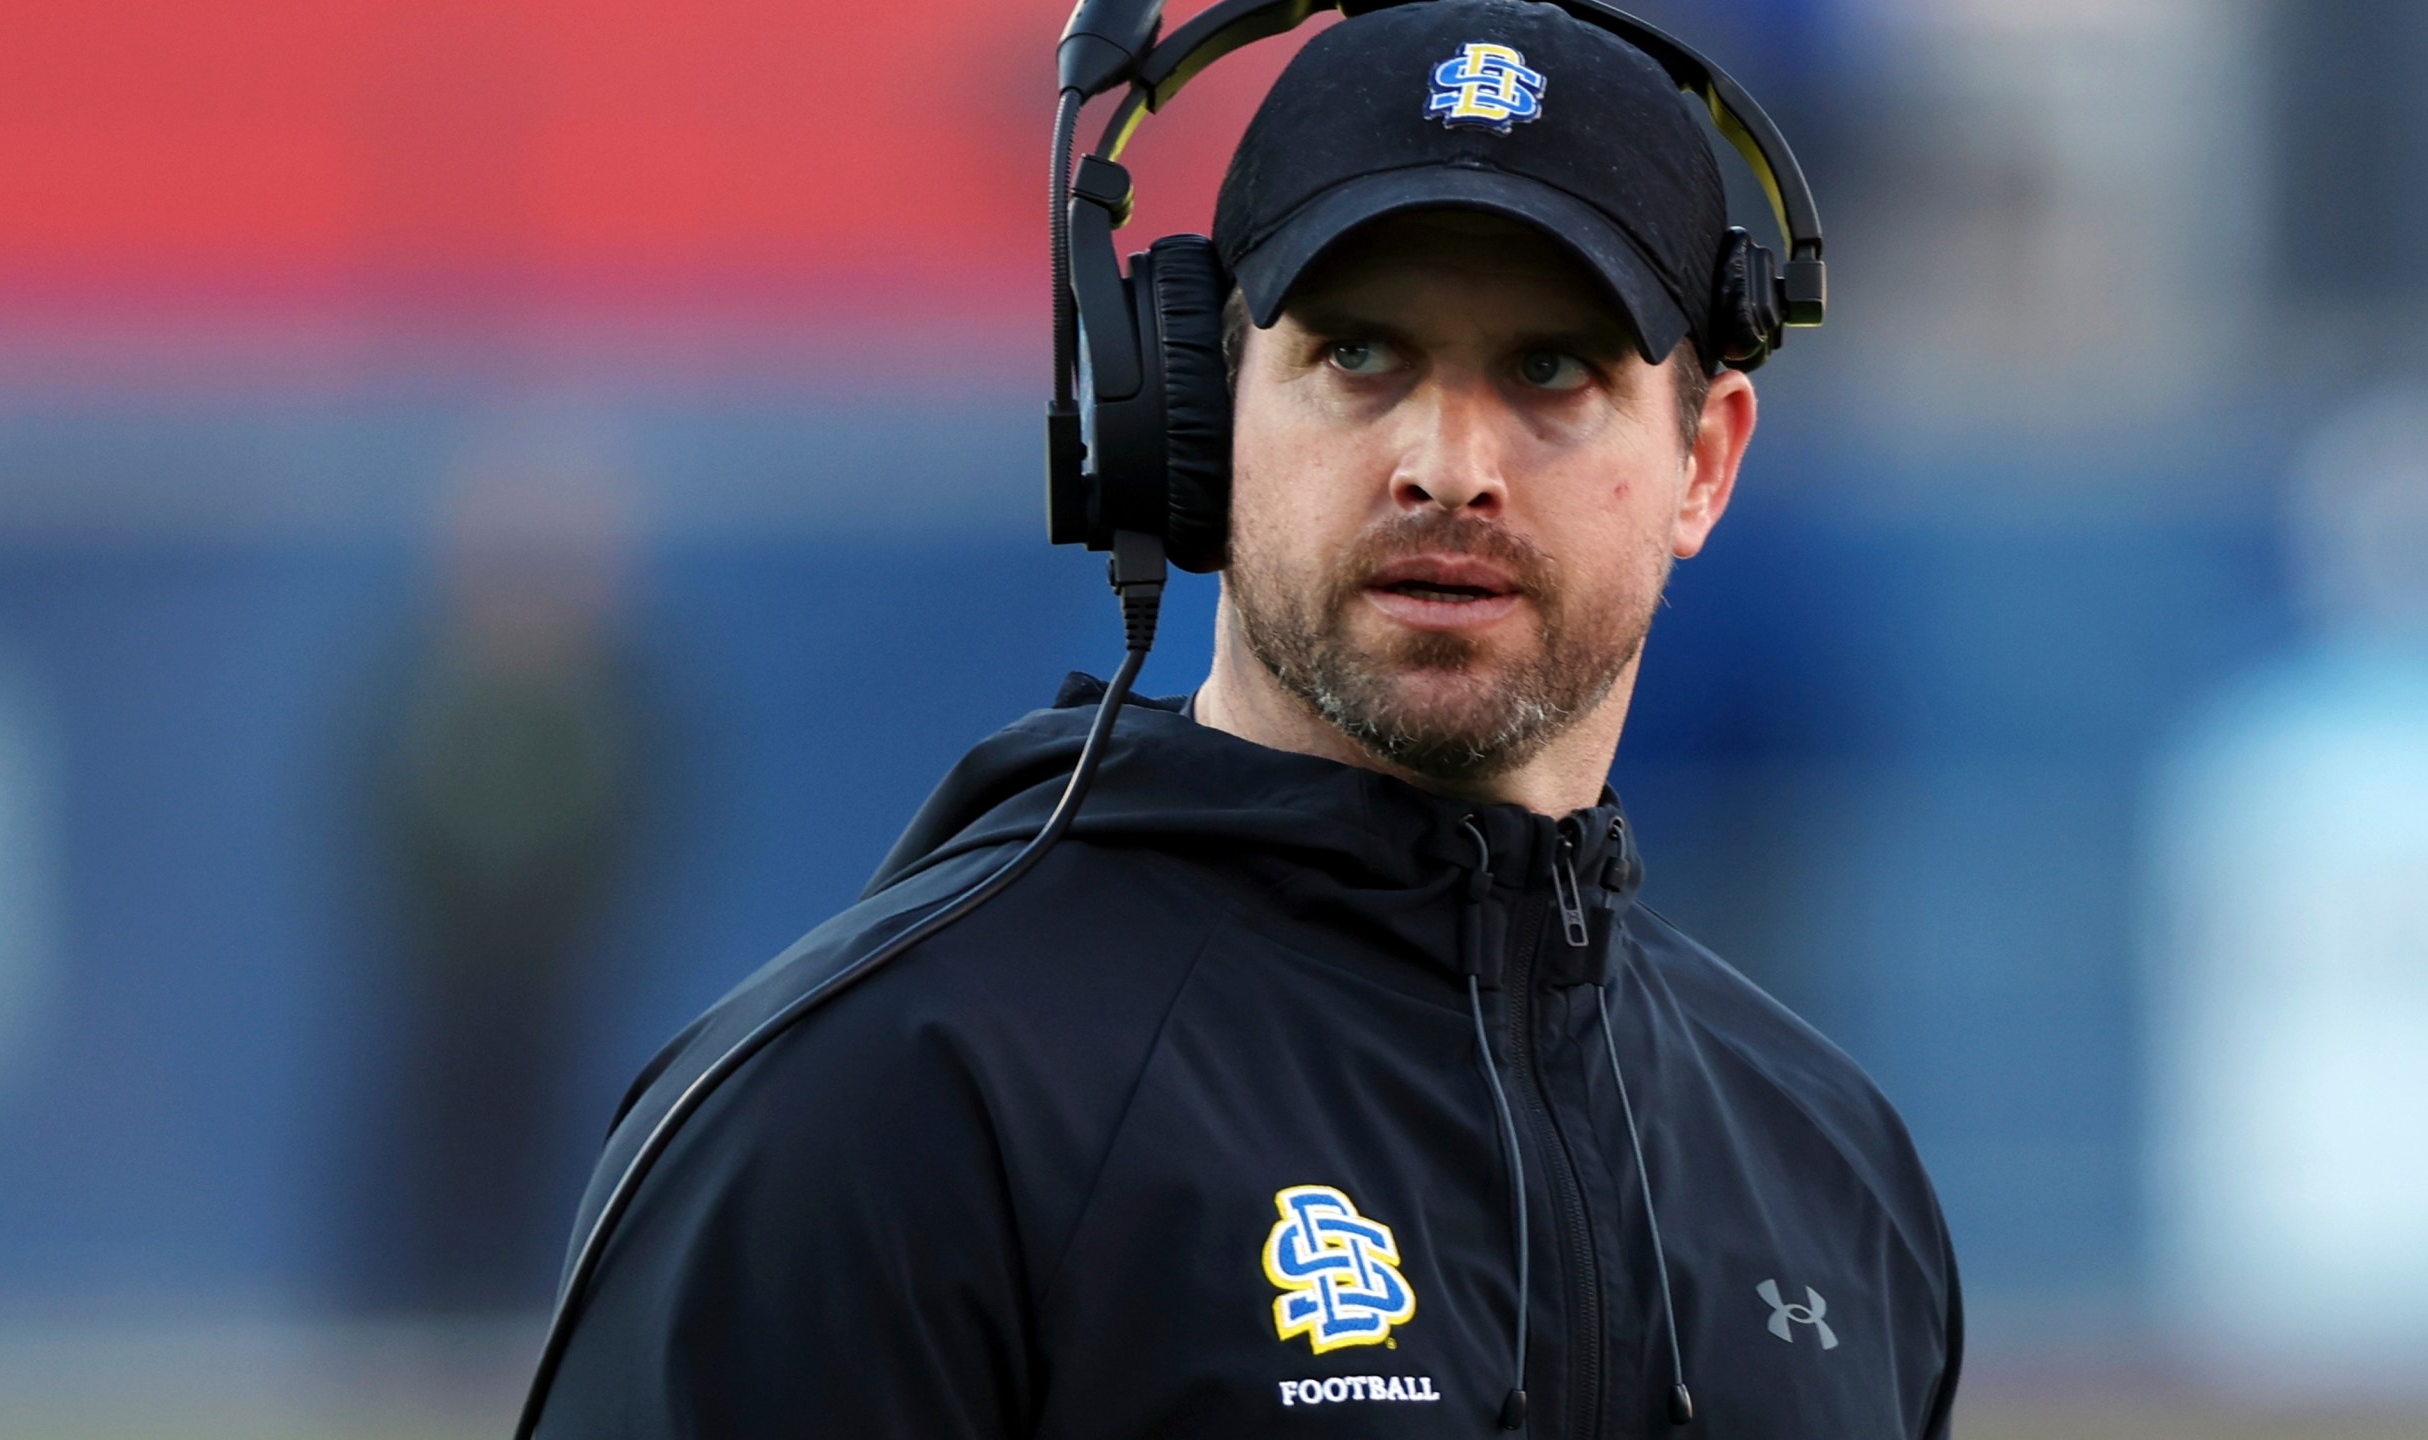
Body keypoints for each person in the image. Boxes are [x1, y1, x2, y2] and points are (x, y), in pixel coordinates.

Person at [536, 3, 1960, 1436]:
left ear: (1702, 463)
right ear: (1199, 421)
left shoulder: (1832, 1174)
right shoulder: (887, 1104)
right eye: (1357, 356)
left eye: (1549, 371)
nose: (1446, 466)